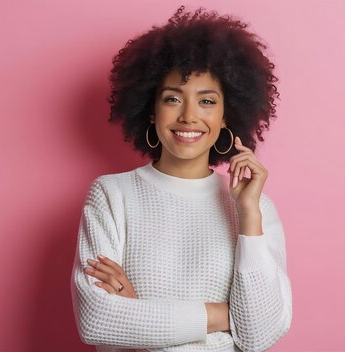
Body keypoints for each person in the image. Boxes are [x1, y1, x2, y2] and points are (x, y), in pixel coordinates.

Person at [70, 6, 292, 352]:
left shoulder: (255, 207)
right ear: (151, 109)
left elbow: (259, 334)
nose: (189, 116)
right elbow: (97, 319)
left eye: (206, 101)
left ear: (225, 116)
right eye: (173, 98)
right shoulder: (112, 195)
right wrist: (226, 315)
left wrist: (248, 218)